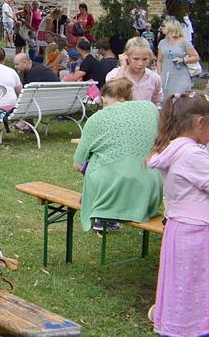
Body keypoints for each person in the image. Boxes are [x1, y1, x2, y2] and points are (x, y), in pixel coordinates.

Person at [146, 91, 209, 337]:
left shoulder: (173, 148)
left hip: (180, 228)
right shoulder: (193, 154)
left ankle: (181, 325)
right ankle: (193, 329)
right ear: (200, 122)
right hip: (197, 231)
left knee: (183, 284)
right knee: (195, 284)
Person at [72, 79, 161, 232]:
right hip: (150, 188)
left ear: (103, 99)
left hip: (109, 188)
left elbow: (77, 164)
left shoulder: (97, 118)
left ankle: (103, 211)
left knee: (93, 161)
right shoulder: (150, 108)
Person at [106, 37, 162, 104]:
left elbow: (156, 100)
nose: (140, 64)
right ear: (126, 57)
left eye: (144, 59)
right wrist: (123, 67)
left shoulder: (154, 78)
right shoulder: (115, 74)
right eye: (136, 59)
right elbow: (112, 93)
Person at [157, 18, 199, 97]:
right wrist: (159, 74)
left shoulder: (183, 42)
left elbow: (196, 57)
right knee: (167, 99)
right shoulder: (162, 42)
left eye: (163, 26)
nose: (161, 28)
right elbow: (159, 60)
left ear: (171, 27)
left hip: (180, 76)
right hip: (166, 76)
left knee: (180, 99)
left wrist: (184, 59)